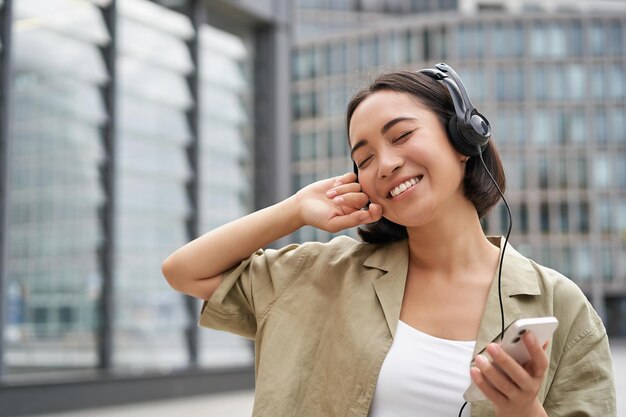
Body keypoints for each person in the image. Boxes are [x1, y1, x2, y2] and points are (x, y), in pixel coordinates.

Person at [161, 64, 616, 417]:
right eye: (365, 158)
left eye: (402, 135)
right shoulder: (323, 274)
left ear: (464, 139)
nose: (386, 164)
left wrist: (522, 410)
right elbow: (184, 270)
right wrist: (296, 208)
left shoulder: (561, 305)